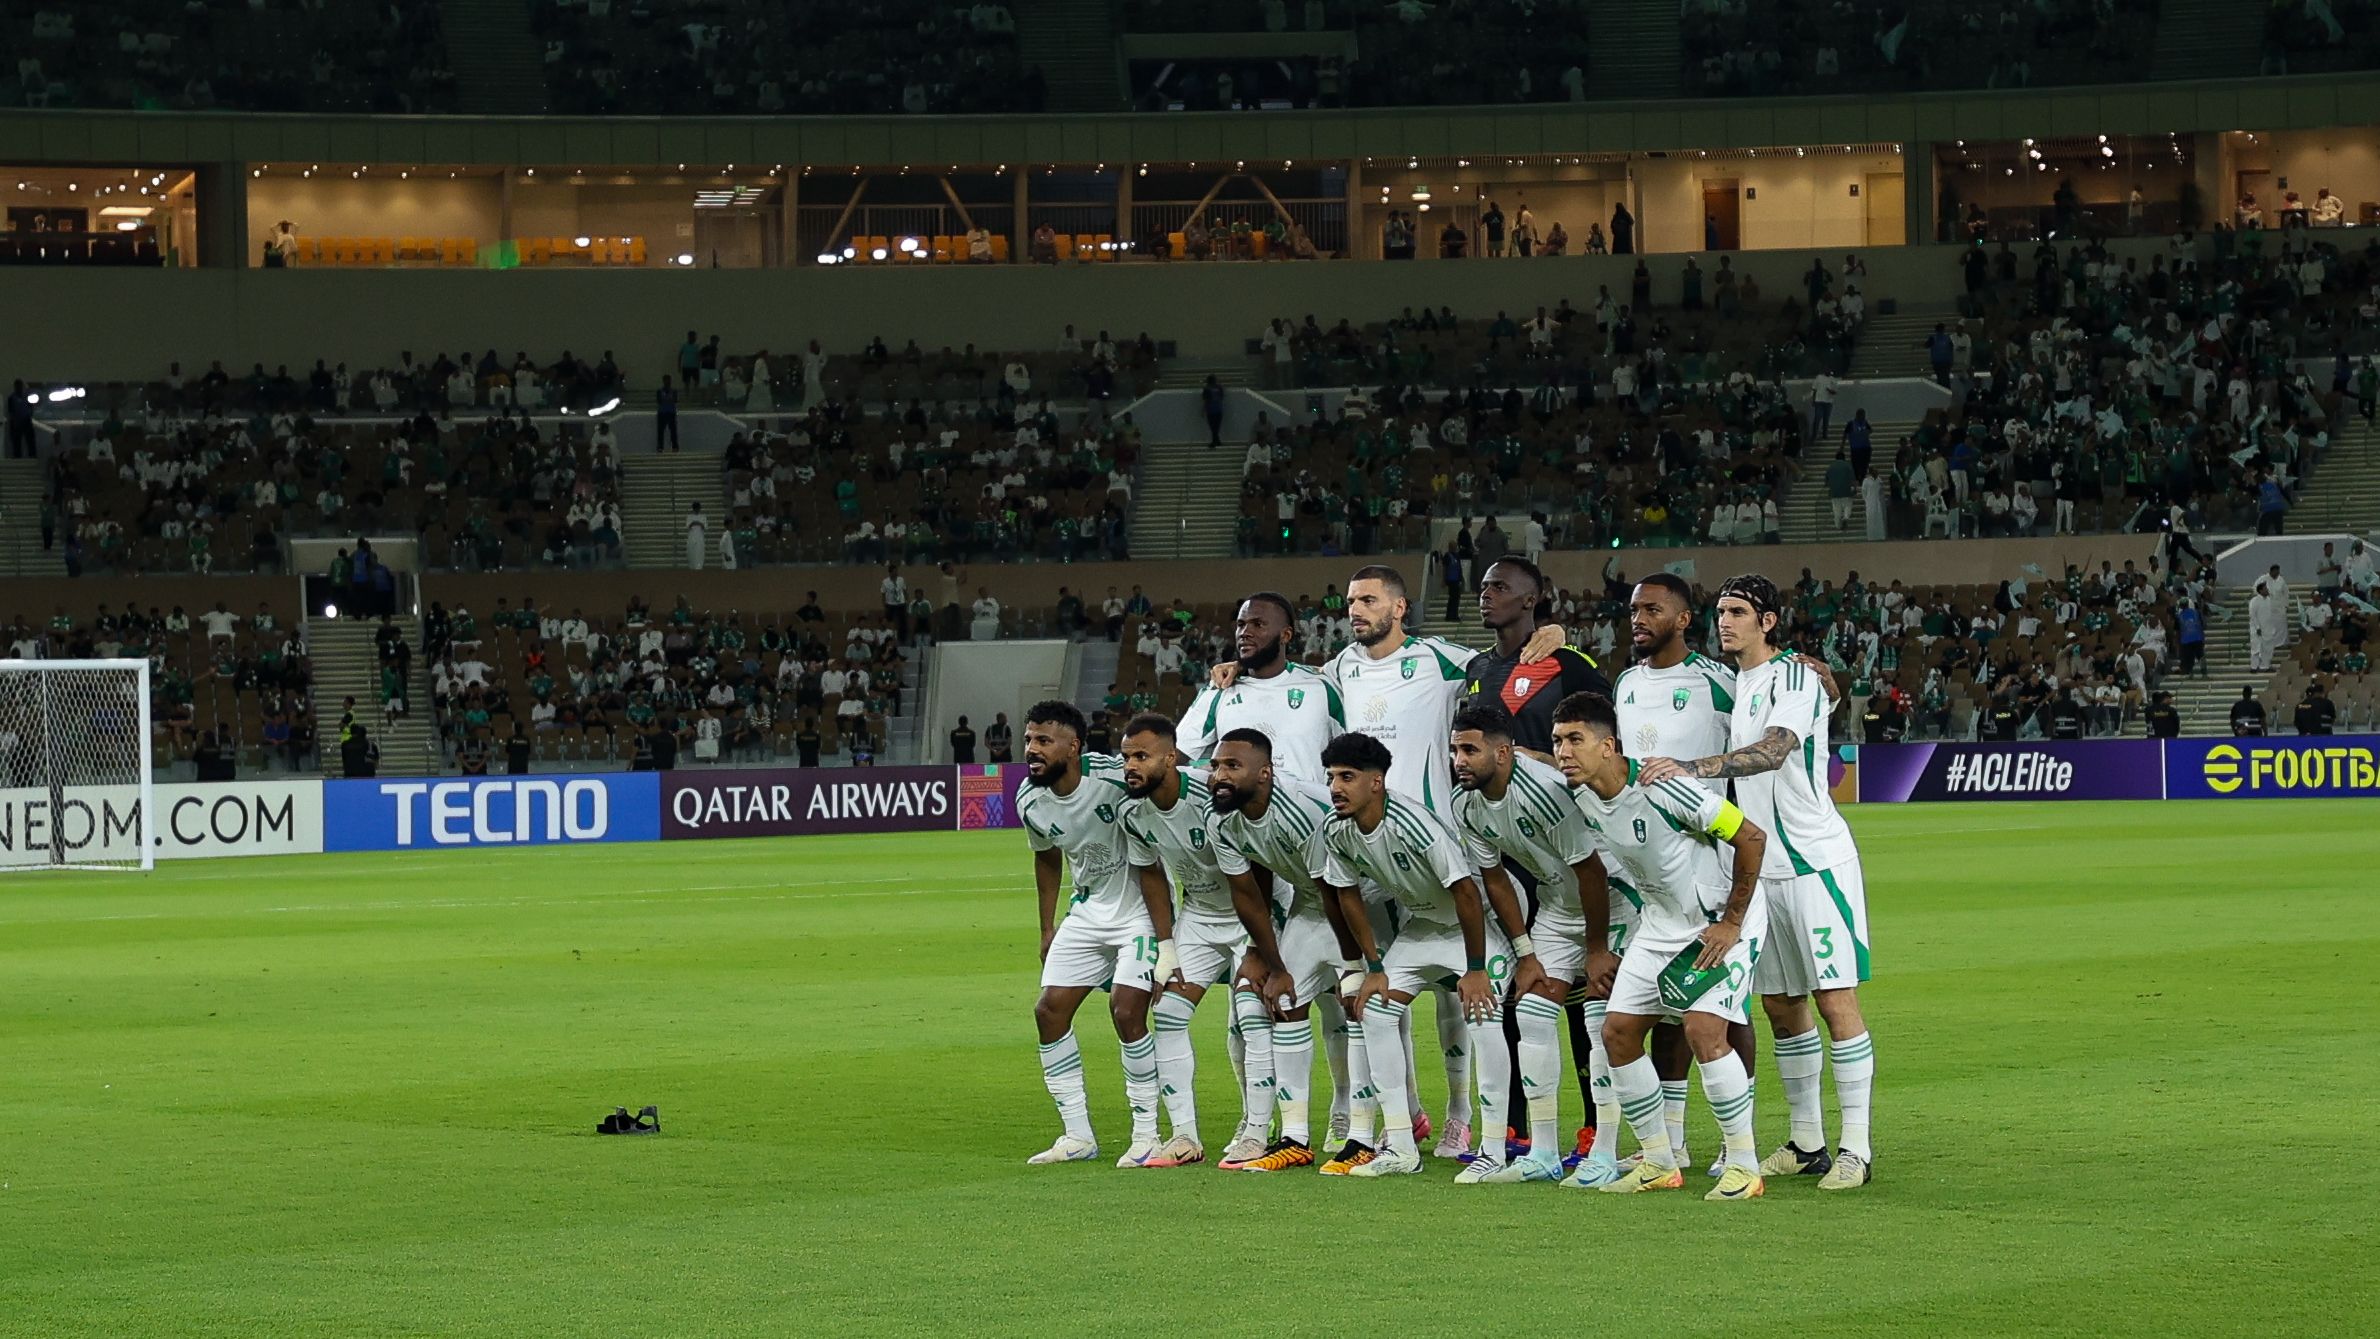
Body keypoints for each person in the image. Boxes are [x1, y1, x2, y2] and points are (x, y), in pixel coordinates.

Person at [1639, 574, 1875, 1191]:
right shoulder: (1737, 681)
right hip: (1761, 868)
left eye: (1738, 611)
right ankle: (1806, 1141)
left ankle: (1857, 1147)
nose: (1725, 621)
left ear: (1768, 622)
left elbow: (1774, 751)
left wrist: (1691, 768)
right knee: (1780, 1005)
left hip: (1814, 862)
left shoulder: (1793, 677)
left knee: (1835, 1001)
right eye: (1720, 611)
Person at [1613, 573, 1813, 1177]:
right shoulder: (1625, 683)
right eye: (1633, 609)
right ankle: (1670, 1141)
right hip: (1650, 871)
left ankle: (1735, 1143)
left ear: (1682, 619)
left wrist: (1821, 674)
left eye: (1652, 609)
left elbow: (1776, 699)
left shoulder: (1718, 679)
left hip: (1713, 863)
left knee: (1725, 1012)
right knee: (1662, 1004)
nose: (1638, 619)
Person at [1551, 691, 1771, 1200]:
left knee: (1703, 1029)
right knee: (1617, 1032)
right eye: (1558, 741)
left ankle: (1744, 1165)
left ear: (1608, 746)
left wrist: (1731, 922)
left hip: (1718, 921)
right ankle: (1658, 1161)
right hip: (1660, 923)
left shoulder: (1665, 787)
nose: (1563, 751)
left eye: (1575, 740)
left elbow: (1752, 838)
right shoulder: (1583, 795)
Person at [1318, 731, 1525, 1179]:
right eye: (1332, 777)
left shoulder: (1413, 822)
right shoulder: (1336, 829)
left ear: (1376, 782)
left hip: (1479, 921)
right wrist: (1372, 967)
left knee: (1483, 1016)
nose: (1335, 787)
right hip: (1425, 926)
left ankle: (1492, 1150)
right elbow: (1346, 894)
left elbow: (1466, 892)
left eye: (1347, 777)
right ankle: (1400, 1146)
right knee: (1374, 1011)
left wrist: (1475, 969)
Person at [1447, 702, 1609, 1185]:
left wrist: (1597, 949)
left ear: (1503, 753)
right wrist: (1525, 952)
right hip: (1558, 907)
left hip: (1611, 903)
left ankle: (1604, 1153)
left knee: (1600, 1022)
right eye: (1455, 750)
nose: (1458, 761)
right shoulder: (1465, 803)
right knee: (1533, 1013)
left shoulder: (1544, 791)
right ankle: (1542, 1153)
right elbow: (1495, 879)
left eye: (1469, 750)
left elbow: (1593, 872)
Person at [1018, 700, 1163, 1167]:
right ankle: (1078, 1136)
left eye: (1044, 740)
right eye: (1029, 739)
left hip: (1139, 911)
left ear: (1073, 746)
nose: (1032, 749)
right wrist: (1047, 927)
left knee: (1126, 1011)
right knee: (1049, 1011)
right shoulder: (1029, 799)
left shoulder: (1115, 776)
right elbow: (1046, 856)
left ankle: (1147, 1135)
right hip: (1088, 910)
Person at [1118, 713, 1261, 1171]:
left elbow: (1259, 860)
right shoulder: (1132, 811)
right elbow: (1150, 873)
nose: (1131, 766)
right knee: (1168, 1014)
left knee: (1250, 1019)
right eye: (1126, 757)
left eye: (1142, 756)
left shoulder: (1211, 794)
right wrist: (1166, 946)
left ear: (1171, 758)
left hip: (1249, 912)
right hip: (1199, 915)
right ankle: (1184, 1136)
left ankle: (1256, 1131)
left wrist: (1260, 940)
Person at [1207, 727, 1344, 1172]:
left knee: (1364, 1005)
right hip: (1311, 903)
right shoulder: (1221, 818)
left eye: (1232, 766)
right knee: (1285, 1002)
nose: (1219, 776)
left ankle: (1371, 1128)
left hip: (1363, 901)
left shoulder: (1300, 810)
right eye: (1215, 766)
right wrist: (1267, 958)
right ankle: (1295, 1138)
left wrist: (1356, 961)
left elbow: (1336, 889)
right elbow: (1250, 890)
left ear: (1265, 773)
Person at [1176, 593, 1343, 788]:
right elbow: (1174, 756)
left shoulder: (1321, 687)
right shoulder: (1220, 689)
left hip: (1305, 806)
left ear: (1286, 635)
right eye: (1241, 624)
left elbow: (1354, 754)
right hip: (1237, 806)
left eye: (1258, 624)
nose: (1245, 632)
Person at [655, 375, 680, 452]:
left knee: (673, 430)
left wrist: (666, 399)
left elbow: (675, 400)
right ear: (663, 381)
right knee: (660, 431)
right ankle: (660, 446)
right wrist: (669, 399)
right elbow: (659, 401)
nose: (667, 382)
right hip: (662, 412)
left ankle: (675, 446)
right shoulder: (659, 391)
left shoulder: (674, 391)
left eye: (668, 380)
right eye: (666, 380)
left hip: (671, 412)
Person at [684, 502, 708, 570]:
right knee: (692, 553)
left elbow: (705, 527)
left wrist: (699, 523)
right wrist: (693, 523)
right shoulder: (689, 516)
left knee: (700, 552)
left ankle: (699, 568)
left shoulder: (703, 516)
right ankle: (692, 567)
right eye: (695, 509)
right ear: (693, 509)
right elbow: (687, 526)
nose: (697, 510)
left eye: (698, 508)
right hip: (691, 537)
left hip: (700, 537)